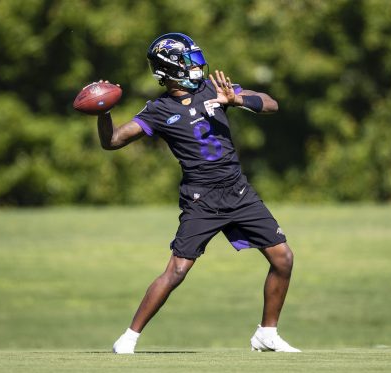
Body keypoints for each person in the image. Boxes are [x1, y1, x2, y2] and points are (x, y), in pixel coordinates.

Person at [97, 33, 300, 353]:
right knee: (177, 270)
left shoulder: (212, 88)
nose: (197, 66)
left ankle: (267, 333)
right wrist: (103, 110)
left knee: (283, 258)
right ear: (170, 68)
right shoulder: (159, 110)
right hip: (201, 200)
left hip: (238, 191)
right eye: (189, 60)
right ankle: (128, 338)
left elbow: (271, 103)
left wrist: (237, 100)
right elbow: (113, 141)